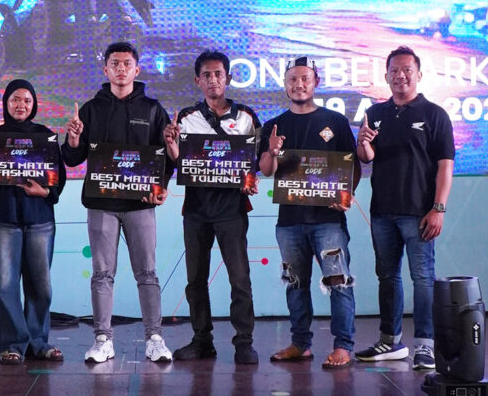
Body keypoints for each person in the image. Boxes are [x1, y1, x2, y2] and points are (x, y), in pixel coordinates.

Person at [61, 41, 174, 363]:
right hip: (102, 203)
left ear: (137, 70)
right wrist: (73, 139)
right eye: (115, 63)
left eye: (126, 64)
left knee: (147, 273)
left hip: (140, 204)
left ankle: (154, 338)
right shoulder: (91, 109)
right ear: (106, 69)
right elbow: (71, 159)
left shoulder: (152, 109)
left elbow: (166, 157)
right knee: (102, 273)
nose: (121, 68)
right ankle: (103, 339)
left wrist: (161, 187)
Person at [354, 45, 455, 371]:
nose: (400, 76)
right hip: (382, 211)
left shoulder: (435, 114)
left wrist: (438, 208)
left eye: (406, 70)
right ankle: (390, 341)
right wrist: (363, 142)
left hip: (420, 212)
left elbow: (445, 166)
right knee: (387, 276)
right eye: (394, 71)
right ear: (386, 76)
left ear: (418, 74)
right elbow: (368, 158)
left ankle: (425, 346)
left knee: (423, 278)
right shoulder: (375, 113)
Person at [258, 56, 360, 369]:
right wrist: (272, 151)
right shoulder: (274, 125)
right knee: (295, 284)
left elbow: (353, 165)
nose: (299, 84)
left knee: (338, 283)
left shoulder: (335, 121)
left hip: (328, 220)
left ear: (316, 82)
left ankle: (343, 345)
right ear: (285, 83)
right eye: (293, 79)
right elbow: (266, 170)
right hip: (289, 222)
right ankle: (300, 344)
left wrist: (347, 195)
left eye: (305, 78)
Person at [162, 50, 261, 365]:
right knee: (195, 280)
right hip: (196, 210)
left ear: (228, 78)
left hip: (232, 210)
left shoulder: (246, 116)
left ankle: (244, 342)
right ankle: (202, 341)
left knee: (240, 279)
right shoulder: (185, 117)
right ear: (197, 80)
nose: (213, 80)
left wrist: (251, 177)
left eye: (218, 74)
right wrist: (171, 144)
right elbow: (179, 161)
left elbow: (256, 160)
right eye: (206, 75)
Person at [0, 79, 67, 364]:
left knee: (40, 286)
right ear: (6, 103)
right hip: (4, 220)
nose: (20, 105)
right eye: (15, 99)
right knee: (6, 286)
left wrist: (44, 192)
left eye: (26, 100)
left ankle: (38, 342)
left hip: (40, 220)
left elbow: (58, 178)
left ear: (34, 104)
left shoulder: (45, 136)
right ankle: (12, 343)